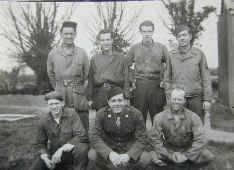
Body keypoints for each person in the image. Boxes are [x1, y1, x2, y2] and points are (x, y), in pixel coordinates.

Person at [144, 88, 214, 170]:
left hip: (186, 149)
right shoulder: (159, 117)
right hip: (168, 150)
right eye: (174, 99)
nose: (176, 102)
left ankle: (182, 165)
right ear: (170, 100)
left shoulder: (193, 117)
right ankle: (179, 165)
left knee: (207, 156)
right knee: (148, 157)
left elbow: (200, 140)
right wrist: (169, 155)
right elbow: (154, 139)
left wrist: (187, 156)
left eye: (179, 99)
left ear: (184, 101)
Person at [88, 87, 147, 170]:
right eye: (113, 101)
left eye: (120, 100)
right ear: (108, 102)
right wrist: (109, 154)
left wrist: (129, 155)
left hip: (128, 149)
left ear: (125, 101)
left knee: (145, 158)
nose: (117, 104)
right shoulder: (101, 114)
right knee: (92, 154)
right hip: (110, 149)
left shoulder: (135, 114)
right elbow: (94, 136)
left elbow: (142, 138)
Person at [47, 21, 90, 130]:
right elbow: (50, 74)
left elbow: (87, 75)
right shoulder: (53, 53)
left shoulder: (82, 53)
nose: (69, 36)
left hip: (77, 91)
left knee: (81, 119)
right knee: (62, 119)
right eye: (66, 34)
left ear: (75, 34)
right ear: (61, 34)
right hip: (60, 91)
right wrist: (58, 87)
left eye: (71, 34)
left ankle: (83, 142)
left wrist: (78, 87)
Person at [30, 91, 89, 170]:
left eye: (56, 103)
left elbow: (82, 135)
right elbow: (40, 143)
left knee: (82, 148)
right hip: (54, 154)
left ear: (62, 104)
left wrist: (62, 149)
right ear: (47, 105)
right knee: (37, 165)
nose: (54, 107)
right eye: (51, 104)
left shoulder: (72, 114)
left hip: (71, 152)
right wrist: (44, 156)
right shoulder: (43, 120)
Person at [164, 25, 212, 120]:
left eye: (184, 35)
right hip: (178, 100)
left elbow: (206, 77)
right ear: (177, 38)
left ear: (190, 37)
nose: (182, 38)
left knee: (197, 128)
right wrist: (170, 98)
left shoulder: (199, 54)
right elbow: (167, 79)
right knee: (178, 129)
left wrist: (207, 99)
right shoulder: (171, 55)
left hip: (196, 98)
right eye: (179, 36)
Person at [126, 20, 169, 123]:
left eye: (149, 31)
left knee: (158, 115)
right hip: (140, 85)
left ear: (153, 32)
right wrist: (132, 80)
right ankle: (141, 138)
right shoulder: (134, 48)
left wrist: (164, 79)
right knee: (139, 114)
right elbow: (126, 67)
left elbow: (169, 66)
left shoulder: (161, 48)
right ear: (140, 32)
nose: (147, 34)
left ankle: (157, 138)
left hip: (157, 85)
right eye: (144, 31)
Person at [87, 29, 129, 111]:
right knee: (101, 118)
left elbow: (126, 77)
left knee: (117, 120)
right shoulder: (95, 59)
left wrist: (126, 97)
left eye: (107, 39)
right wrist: (89, 98)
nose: (105, 42)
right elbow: (91, 80)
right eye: (102, 40)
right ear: (99, 42)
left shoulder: (121, 58)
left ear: (112, 41)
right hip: (100, 93)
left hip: (117, 93)